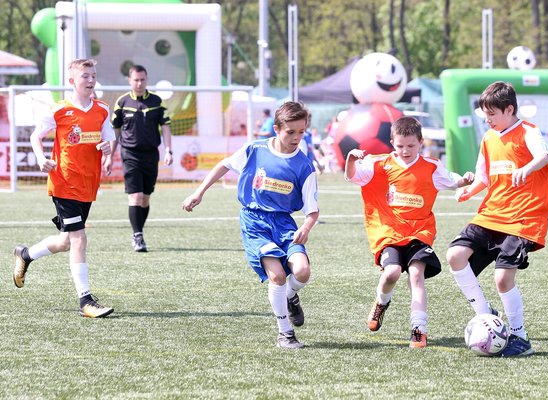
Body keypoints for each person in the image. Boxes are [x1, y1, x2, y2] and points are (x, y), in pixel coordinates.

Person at [182, 101, 319, 349]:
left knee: (302, 271)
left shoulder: (304, 166)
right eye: (291, 132)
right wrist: (199, 193)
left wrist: (306, 228)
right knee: (277, 276)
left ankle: (291, 296)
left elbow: (312, 210)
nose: (296, 137)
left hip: (284, 223)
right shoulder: (255, 150)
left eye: (301, 132)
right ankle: (285, 333)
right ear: (276, 128)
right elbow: (224, 165)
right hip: (254, 222)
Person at [446, 81, 548, 357]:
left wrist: (527, 168)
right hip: (492, 213)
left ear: (509, 109)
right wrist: (468, 192)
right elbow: (484, 176)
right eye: (485, 114)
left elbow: (543, 155)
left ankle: (520, 338)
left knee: (502, 279)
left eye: (492, 114)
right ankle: (485, 314)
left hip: (523, 216)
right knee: (455, 256)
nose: (488, 120)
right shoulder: (488, 138)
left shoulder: (528, 131)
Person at [345, 116, 473, 348]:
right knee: (392, 273)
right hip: (388, 232)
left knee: (416, 274)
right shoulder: (379, 164)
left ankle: (418, 329)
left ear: (421, 142)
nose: (405, 150)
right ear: (392, 142)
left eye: (411, 146)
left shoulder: (431, 167)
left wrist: (465, 180)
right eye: (400, 146)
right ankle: (381, 303)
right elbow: (353, 176)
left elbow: (453, 180)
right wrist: (350, 160)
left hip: (419, 232)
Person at [13, 58, 116, 318]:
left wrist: (107, 152)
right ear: (72, 81)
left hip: (88, 183)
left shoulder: (102, 109)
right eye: (85, 77)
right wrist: (40, 158)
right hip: (64, 182)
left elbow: (109, 139)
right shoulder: (58, 110)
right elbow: (36, 136)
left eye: (93, 76)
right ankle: (86, 301)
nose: (91, 81)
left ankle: (25, 254)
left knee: (66, 241)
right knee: (79, 238)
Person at [112, 65, 173, 252]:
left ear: (147, 79)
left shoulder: (157, 101)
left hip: (150, 155)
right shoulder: (121, 102)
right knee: (136, 196)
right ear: (129, 80)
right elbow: (116, 130)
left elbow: (166, 127)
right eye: (136, 80)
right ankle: (137, 236)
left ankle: (139, 231)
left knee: (145, 199)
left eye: (142, 79)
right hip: (130, 154)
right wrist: (109, 155)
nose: (139, 83)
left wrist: (168, 150)